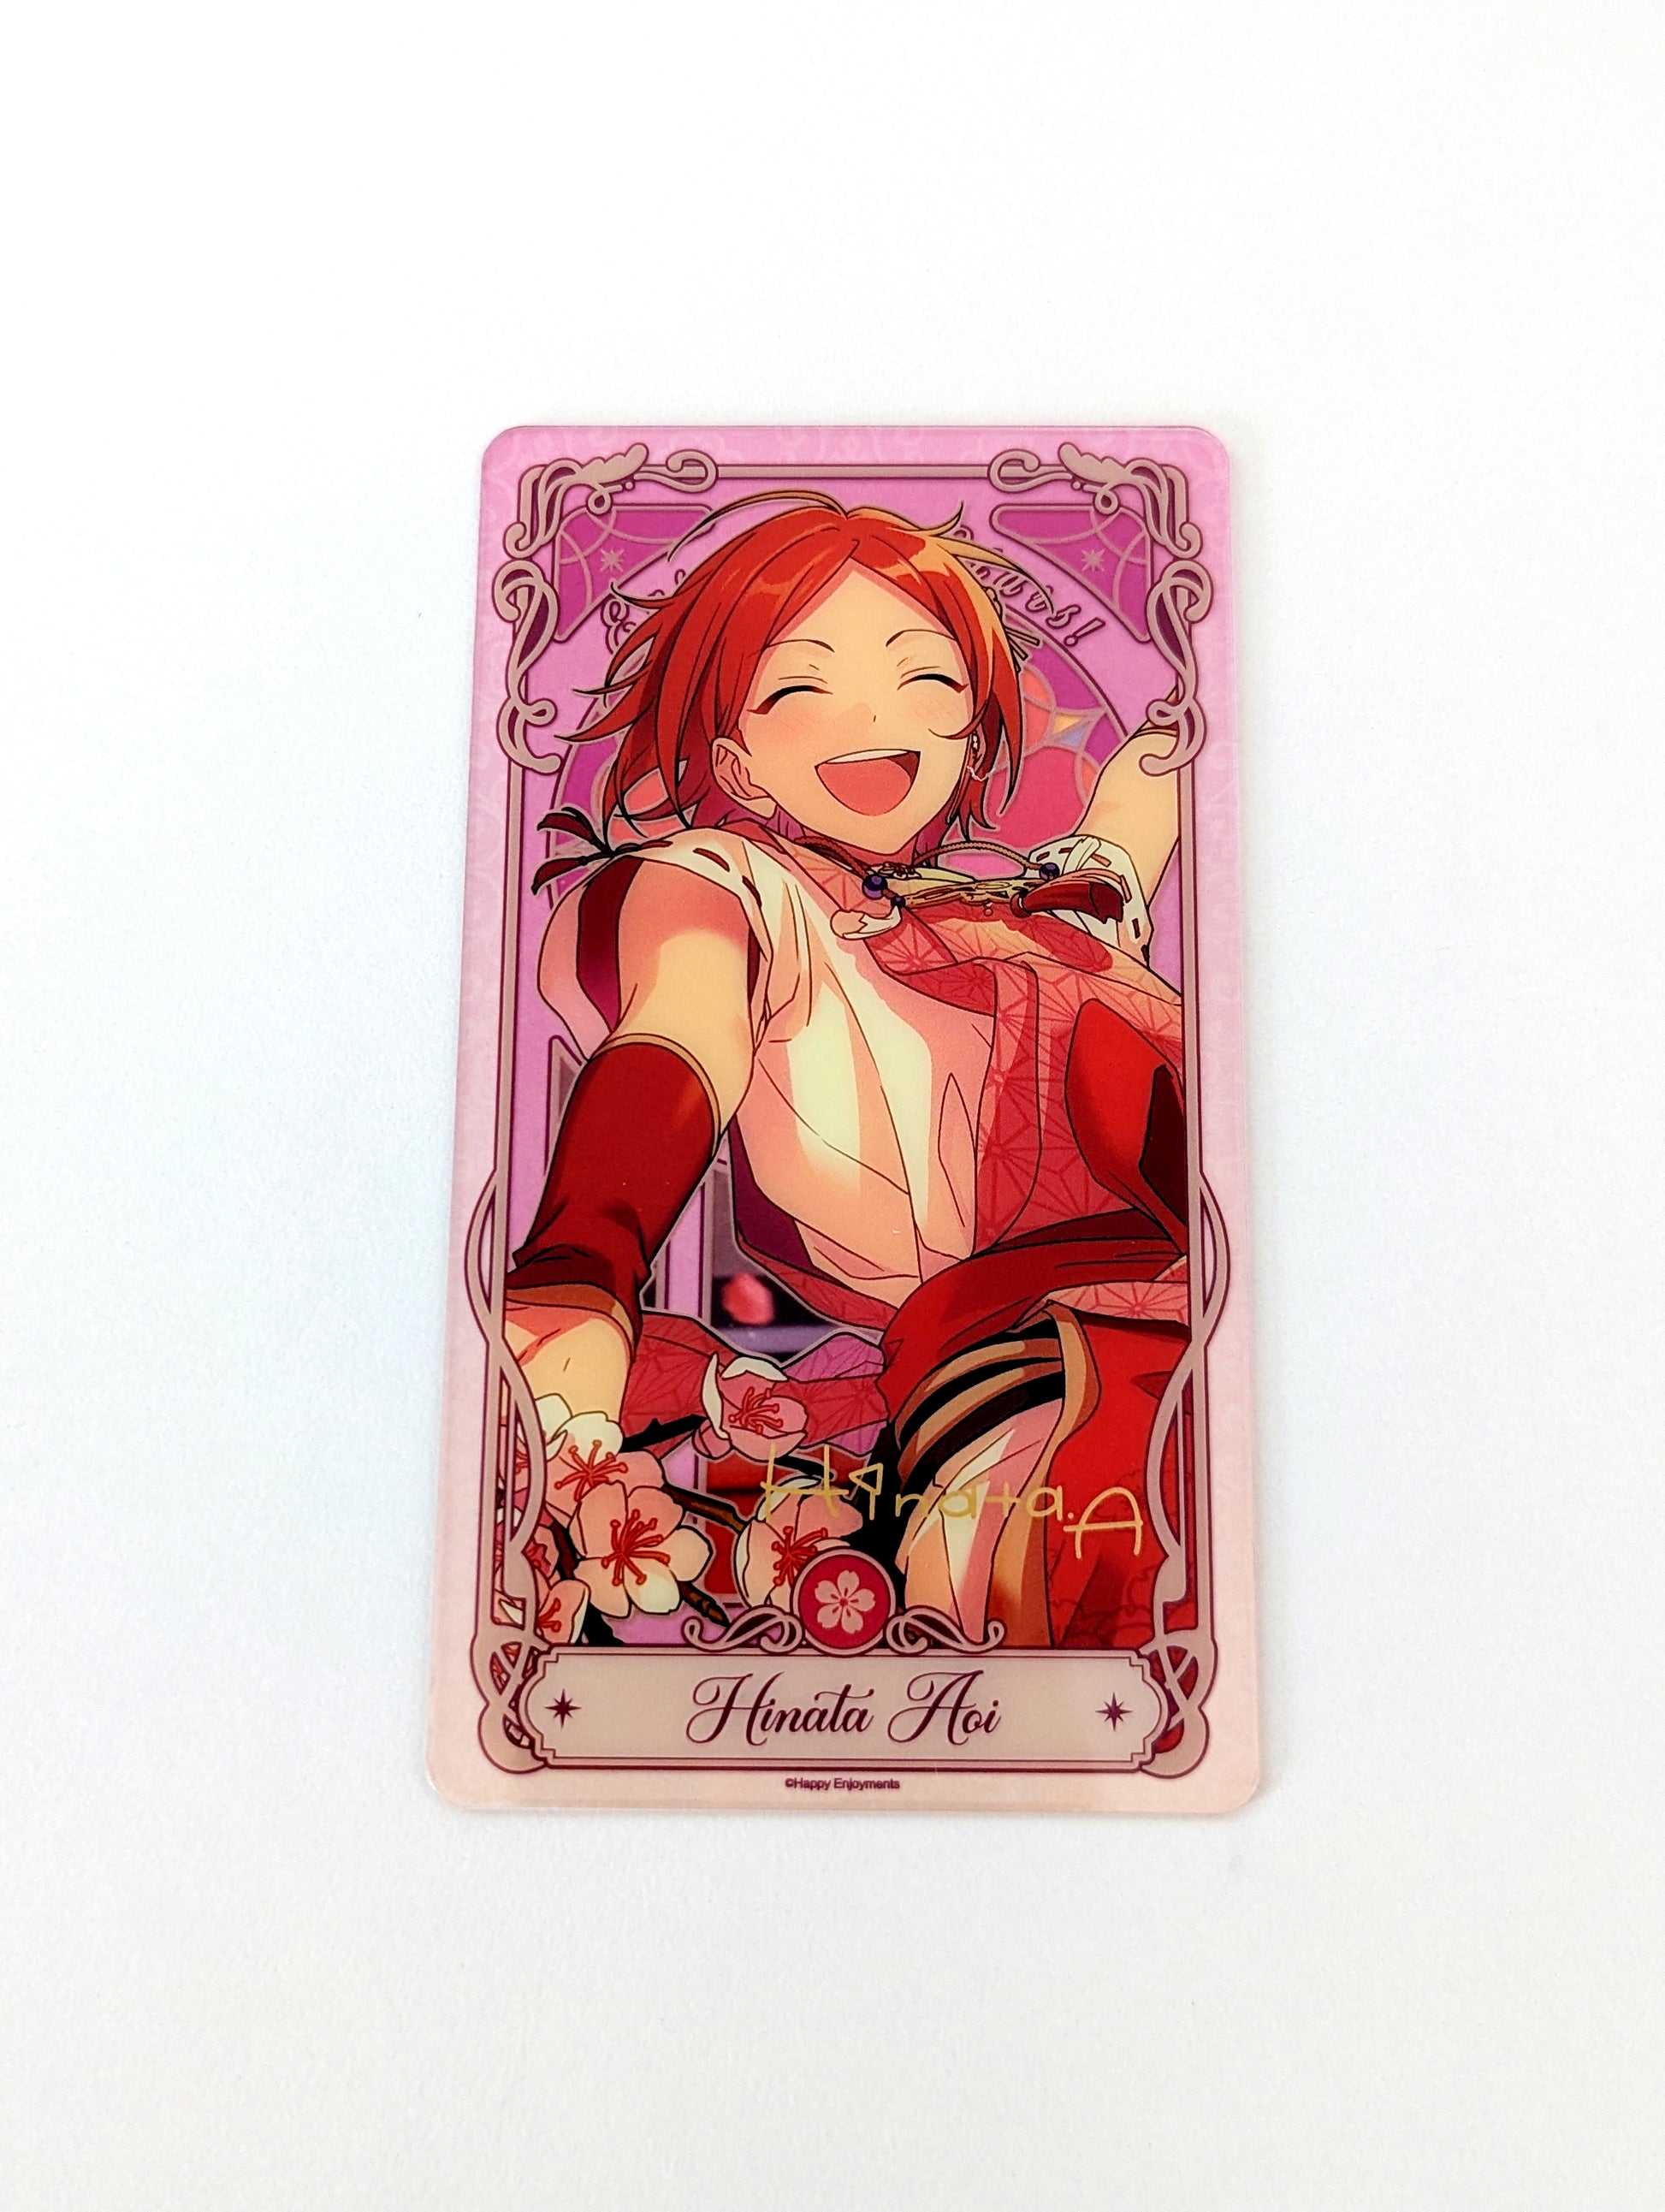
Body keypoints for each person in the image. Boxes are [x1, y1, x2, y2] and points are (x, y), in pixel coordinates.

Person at [503, 494, 1189, 1649]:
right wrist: (582, 1267)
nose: (875, 718)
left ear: (971, 731)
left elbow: (1149, 787)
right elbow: (679, 1030)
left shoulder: (1044, 913)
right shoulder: (731, 891)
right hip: (1040, 1398)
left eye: (927, 679)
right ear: (737, 759)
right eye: (800, 687)